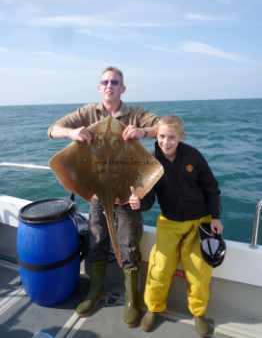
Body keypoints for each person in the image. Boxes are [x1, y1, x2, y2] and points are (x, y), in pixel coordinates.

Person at [48, 66, 159, 327]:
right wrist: (72, 133)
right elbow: (52, 129)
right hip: (96, 189)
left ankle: (134, 300)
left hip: (127, 188)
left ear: (123, 88)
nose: (109, 85)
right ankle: (95, 291)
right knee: (97, 240)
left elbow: (163, 126)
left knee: (129, 242)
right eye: (105, 82)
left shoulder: (135, 114)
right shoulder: (87, 112)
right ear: (100, 88)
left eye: (115, 82)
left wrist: (142, 132)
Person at [129, 115, 223, 337]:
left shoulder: (193, 156)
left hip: (200, 223)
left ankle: (199, 314)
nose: (165, 142)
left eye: (171, 137)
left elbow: (211, 188)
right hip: (169, 223)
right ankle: (154, 308)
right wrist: (138, 202)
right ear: (156, 136)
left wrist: (215, 217)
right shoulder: (151, 162)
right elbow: (149, 199)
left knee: (199, 271)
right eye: (161, 136)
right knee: (159, 268)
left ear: (181, 137)